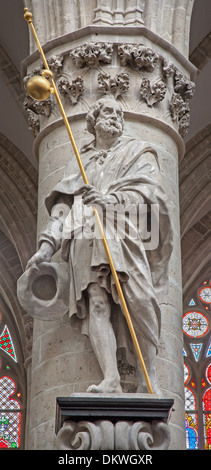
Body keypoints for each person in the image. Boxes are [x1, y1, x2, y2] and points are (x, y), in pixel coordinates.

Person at [26, 94, 173, 393]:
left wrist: (111, 200)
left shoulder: (138, 152)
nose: (115, 117)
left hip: (125, 236)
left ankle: (151, 376)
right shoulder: (80, 161)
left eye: (119, 113)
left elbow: (153, 196)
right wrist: (45, 248)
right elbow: (62, 211)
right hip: (85, 235)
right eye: (108, 111)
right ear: (93, 121)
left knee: (141, 302)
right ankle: (111, 379)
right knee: (96, 302)